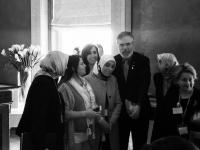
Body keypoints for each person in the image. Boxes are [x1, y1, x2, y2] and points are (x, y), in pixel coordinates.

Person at [16, 51, 69, 150]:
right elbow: (38, 117)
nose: (66, 68)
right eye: (65, 64)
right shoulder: (43, 84)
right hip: (44, 141)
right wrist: (41, 145)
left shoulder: (48, 80)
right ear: (57, 64)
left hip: (50, 136)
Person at [112, 31, 152, 150]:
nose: (125, 48)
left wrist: (138, 105)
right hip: (121, 113)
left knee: (140, 145)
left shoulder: (143, 60)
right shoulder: (113, 62)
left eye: (128, 44)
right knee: (121, 144)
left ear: (133, 44)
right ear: (117, 46)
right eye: (121, 45)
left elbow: (144, 85)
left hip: (140, 111)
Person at [58, 55, 101, 150]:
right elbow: (65, 114)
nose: (85, 65)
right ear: (73, 68)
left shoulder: (85, 83)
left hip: (87, 132)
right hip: (74, 135)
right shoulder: (64, 87)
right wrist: (86, 113)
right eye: (82, 63)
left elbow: (91, 103)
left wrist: (94, 110)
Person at [152, 62, 200, 141]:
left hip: (193, 141)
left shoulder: (198, 96)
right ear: (177, 81)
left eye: (190, 79)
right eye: (184, 80)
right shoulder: (171, 96)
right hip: (172, 139)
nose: (188, 83)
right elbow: (161, 120)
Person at [84, 54, 122, 150]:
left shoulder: (113, 80)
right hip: (95, 124)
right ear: (100, 64)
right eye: (107, 65)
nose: (110, 69)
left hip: (111, 126)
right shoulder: (88, 79)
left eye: (113, 66)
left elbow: (118, 103)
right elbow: (90, 104)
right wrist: (101, 121)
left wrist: (111, 123)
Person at [151, 53, 179, 141]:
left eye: (160, 62)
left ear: (168, 64)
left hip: (174, 121)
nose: (156, 65)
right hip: (159, 120)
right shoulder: (157, 77)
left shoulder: (179, 80)